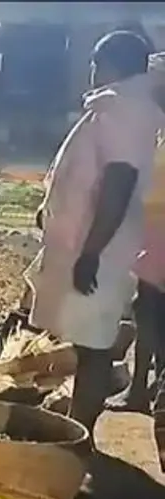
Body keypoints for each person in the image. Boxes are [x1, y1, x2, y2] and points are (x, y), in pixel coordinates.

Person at [27, 30, 165, 447]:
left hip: (101, 249)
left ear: (110, 64)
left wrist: (92, 251)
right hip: (93, 243)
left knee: (94, 345)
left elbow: (118, 184)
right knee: (88, 339)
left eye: (95, 61)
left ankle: (79, 437)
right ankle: (77, 429)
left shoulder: (125, 110)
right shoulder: (118, 107)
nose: (91, 70)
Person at [110, 132, 165, 412]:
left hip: (159, 240)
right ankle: (148, 387)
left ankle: (140, 390)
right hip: (154, 236)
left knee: (149, 312)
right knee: (150, 311)